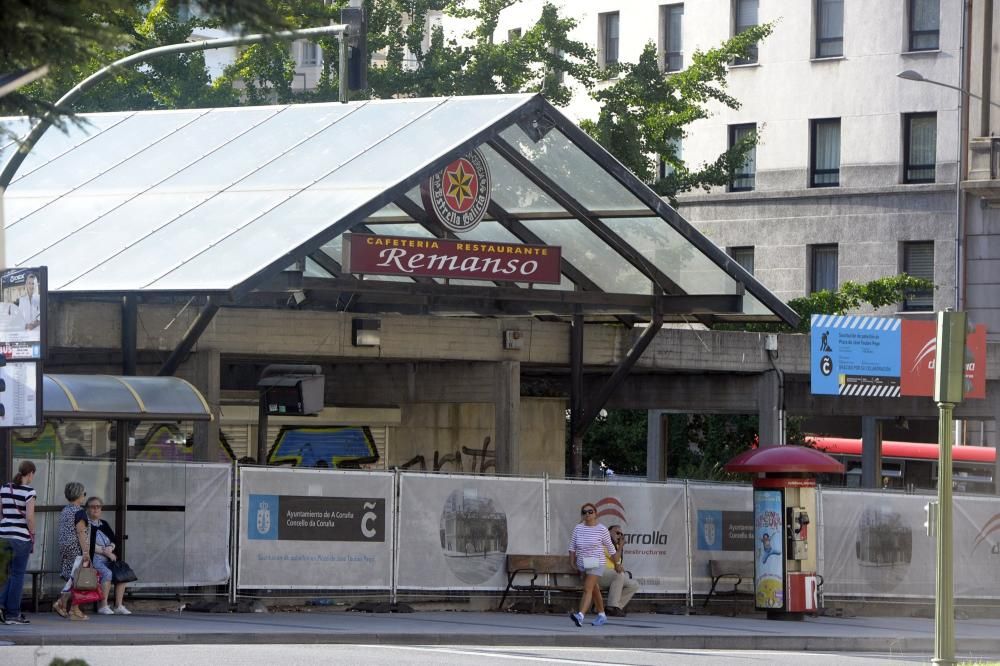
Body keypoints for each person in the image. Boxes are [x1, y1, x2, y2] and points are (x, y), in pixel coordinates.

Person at [0, 460, 37, 625]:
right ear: (30, 474)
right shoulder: (29, 492)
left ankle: (1, 605)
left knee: (7, 574)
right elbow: (29, 517)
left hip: (3, 536)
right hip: (21, 538)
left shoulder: (4, 488)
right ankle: (12, 614)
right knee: (17, 575)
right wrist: (33, 533)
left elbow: (1, 513)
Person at [80, 497, 131, 615]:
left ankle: (118, 605)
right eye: (93, 507)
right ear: (87, 509)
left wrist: (111, 547)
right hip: (93, 558)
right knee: (107, 573)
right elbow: (87, 544)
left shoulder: (104, 524)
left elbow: (113, 540)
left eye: (98, 507)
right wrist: (105, 552)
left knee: (122, 572)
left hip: (108, 556)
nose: (96, 509)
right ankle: (102, 605)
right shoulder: (85, 524)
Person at [567, 502, 615, 627]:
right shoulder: (578, 528)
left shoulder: (602, 529)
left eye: (590, 511)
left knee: (588, 588)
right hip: (583, 563)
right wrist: (572, 562)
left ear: (595, 513)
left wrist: (617, 564)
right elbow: (572, 547)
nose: (587, 514)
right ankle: (602, 615)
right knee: (594, 590)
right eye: (584, 512)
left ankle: (580, 615)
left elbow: (610, 548)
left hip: (597, 562)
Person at [52, 482, 90, 621]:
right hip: (76, 548)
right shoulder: (79, 511)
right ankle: (71, 608)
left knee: (73, 579)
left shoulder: (65, 510)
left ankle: (66, 605)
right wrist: (86, 552)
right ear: (79, 495)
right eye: (84, 494)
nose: (84, 496)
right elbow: (81, 532)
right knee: (78, 579)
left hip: (65, 548)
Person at [600, 524, 640, 617]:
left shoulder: (616, 546)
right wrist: (621, 546)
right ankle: (611, 607)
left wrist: (620, 567)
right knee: (618, 575)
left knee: (634, 585)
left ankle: (616, 607)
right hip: (600, 574)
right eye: (617, 533)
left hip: (611, 575)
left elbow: (617, 564)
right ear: (608, 532)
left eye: (621, 534)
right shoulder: (605, 543)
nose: (620, 536)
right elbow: (615, 559)